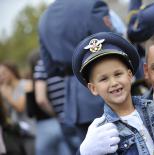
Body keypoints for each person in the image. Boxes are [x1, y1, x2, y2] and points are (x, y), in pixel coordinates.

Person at [72, 32, 154, 155]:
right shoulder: (103, 132)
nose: (113, 83)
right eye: (104, 79)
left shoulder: (153, 107)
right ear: (93, 88)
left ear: (130, 75)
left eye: (118, 74)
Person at [38, 0, 115, 152]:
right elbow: (112, 47)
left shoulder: (44, 18)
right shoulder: (92, 5)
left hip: (72, 100)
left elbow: (50, 69)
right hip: (105, 90)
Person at [0, 62, 35, 155]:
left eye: (4, 73)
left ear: (11, 71)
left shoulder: (25, 84)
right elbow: (6, 114)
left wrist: (7, 95)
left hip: (30, 131)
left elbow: (20, 107)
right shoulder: (4, 90)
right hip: (16, 133)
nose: (2, 77)